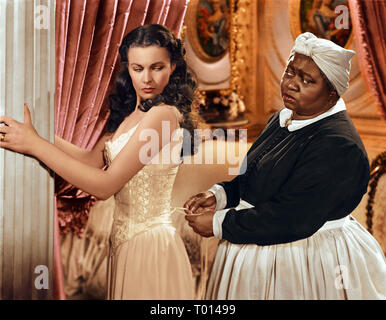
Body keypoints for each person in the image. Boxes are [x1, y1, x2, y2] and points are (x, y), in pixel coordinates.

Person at [0, 24, 199, 300]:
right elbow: (90, 161)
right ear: (128, 69)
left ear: (173, 67)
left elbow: (105, 186)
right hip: (124, 243)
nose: (147, 78)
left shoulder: (164, 116)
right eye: (138, 68)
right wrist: (42, 134)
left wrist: (34, 144)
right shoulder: (132, 113)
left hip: (151, 246)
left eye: (157, 67)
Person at [184, 32, 386, 299]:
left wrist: (220, 223)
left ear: (331, 93)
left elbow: (292, 217)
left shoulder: (338, 145)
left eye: (307, 80)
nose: (292, 84)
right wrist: (219, 195)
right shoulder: (282, 119)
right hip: (258, 244)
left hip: (305, 259)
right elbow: (254, 178)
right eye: (291, 72)